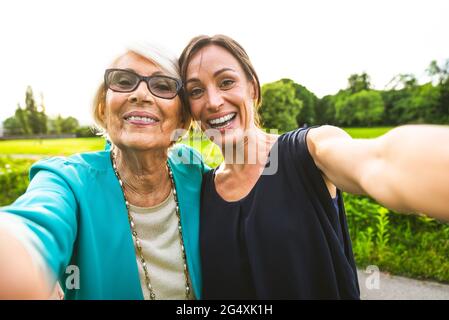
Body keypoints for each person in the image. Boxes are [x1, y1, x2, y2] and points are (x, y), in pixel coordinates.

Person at [178, 34, 449, 299]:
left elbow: (380, 160)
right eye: (196, 91)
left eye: (226, 82)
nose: (213, 102)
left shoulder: (306, 152)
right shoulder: (200, 191)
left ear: (253, 88)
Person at [0, 43, 208, 300]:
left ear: (182, 118)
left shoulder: (194, 169)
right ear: (102, 107)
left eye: (163, 86)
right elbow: (34, 224)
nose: (141, 94)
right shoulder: (67, 181)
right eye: (123, 81)